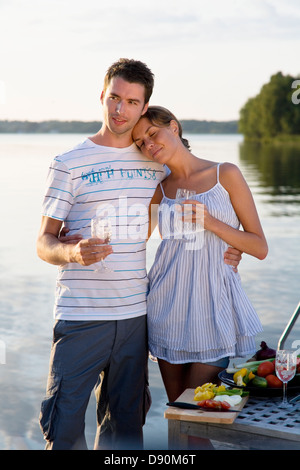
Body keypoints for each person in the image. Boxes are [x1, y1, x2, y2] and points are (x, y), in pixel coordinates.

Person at [37, 59, 242, 450]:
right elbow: (43, 243)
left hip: (136, 317)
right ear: (102, 96)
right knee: (63, 429)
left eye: (131, 102)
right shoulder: (68, 163)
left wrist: (231, 248)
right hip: (82, 316)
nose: (120, 109)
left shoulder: (154, 161)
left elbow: (184, 214)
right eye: (114, 98)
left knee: (124, 432)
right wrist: (72, 252)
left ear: (143, 107)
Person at [132, 106, 268, 407]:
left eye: (153, 134)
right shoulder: (160, 189)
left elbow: (259, 247)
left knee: (196, 419)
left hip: (212, 310)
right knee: (179, 418)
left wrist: (212, 224)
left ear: (175, 127)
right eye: (141, 142)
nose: (149, 145)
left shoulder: (225, 174)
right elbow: (134, 239)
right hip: (167, 309)